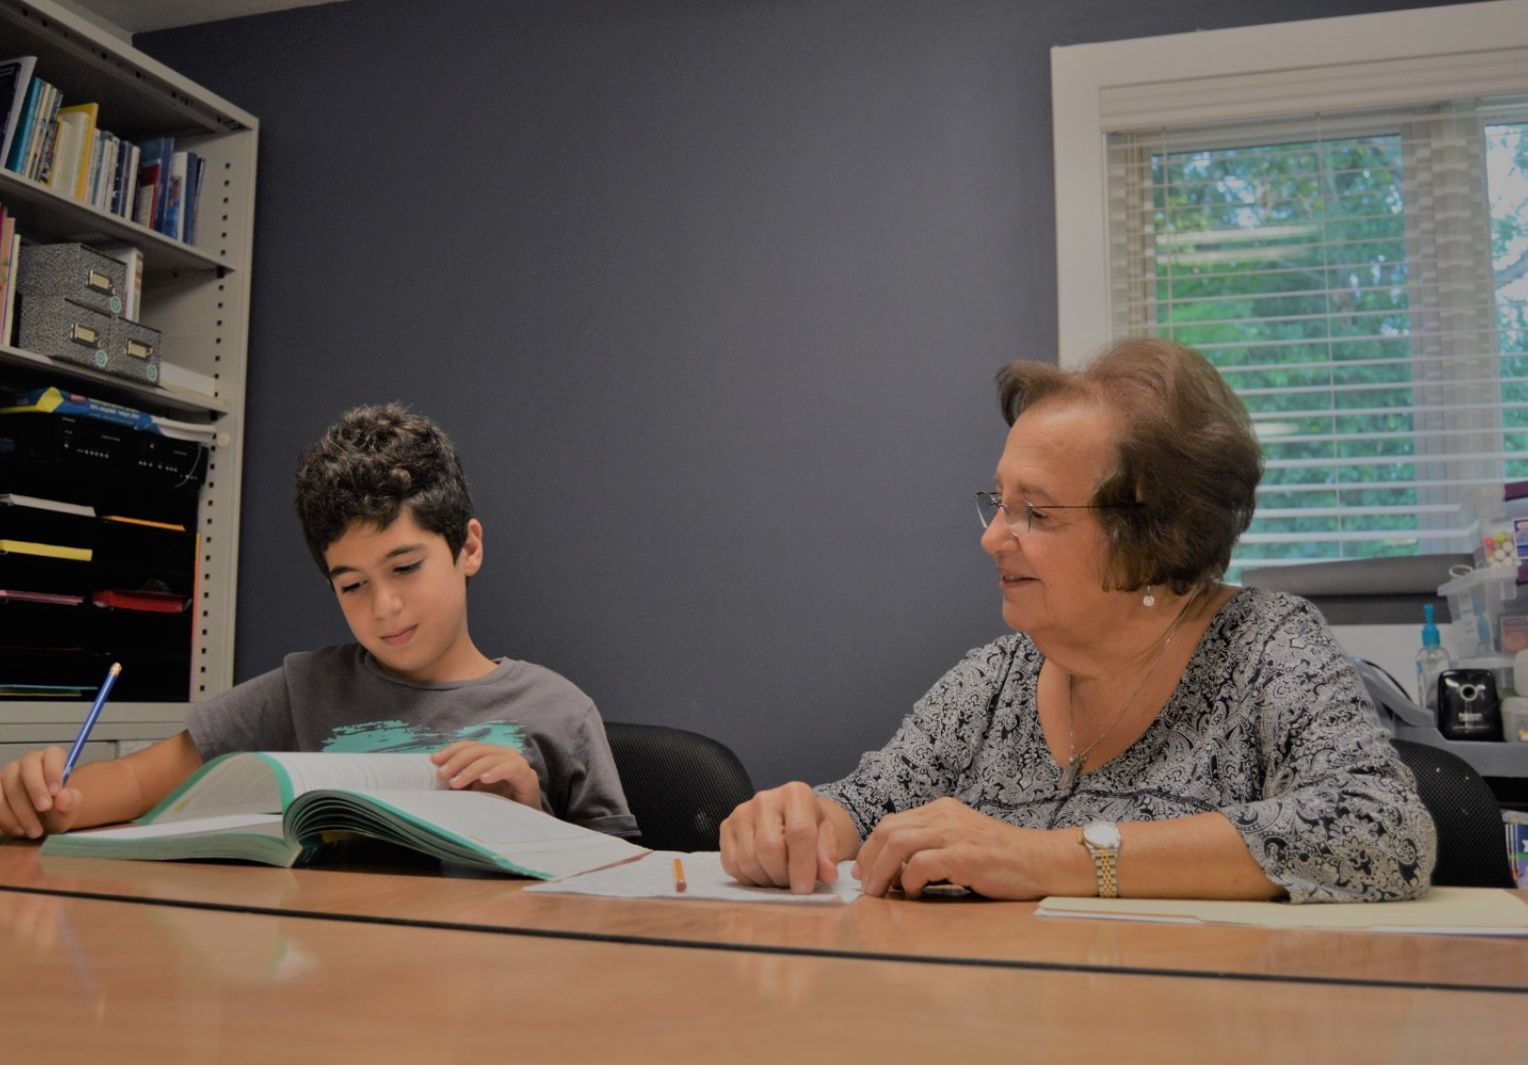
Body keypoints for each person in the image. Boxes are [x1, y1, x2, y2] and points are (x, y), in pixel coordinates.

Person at [720, 338, 1436, 903]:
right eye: (998, 502)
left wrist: (1042, 855)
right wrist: (800, 825)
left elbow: (1380, 829)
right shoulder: (993, 681)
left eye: (1035, 512)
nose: (993, 536)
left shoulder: (1266, 646)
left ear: (1158, 531)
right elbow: (867, 807)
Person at [0, 403, 636, 842]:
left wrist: (532, 816)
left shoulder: (559, 711)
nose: (383, 607)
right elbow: (138, 780)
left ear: (467, 547)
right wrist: (43, 800)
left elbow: (624, 883)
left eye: (406, 568)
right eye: (352, 585)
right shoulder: (303, 690)